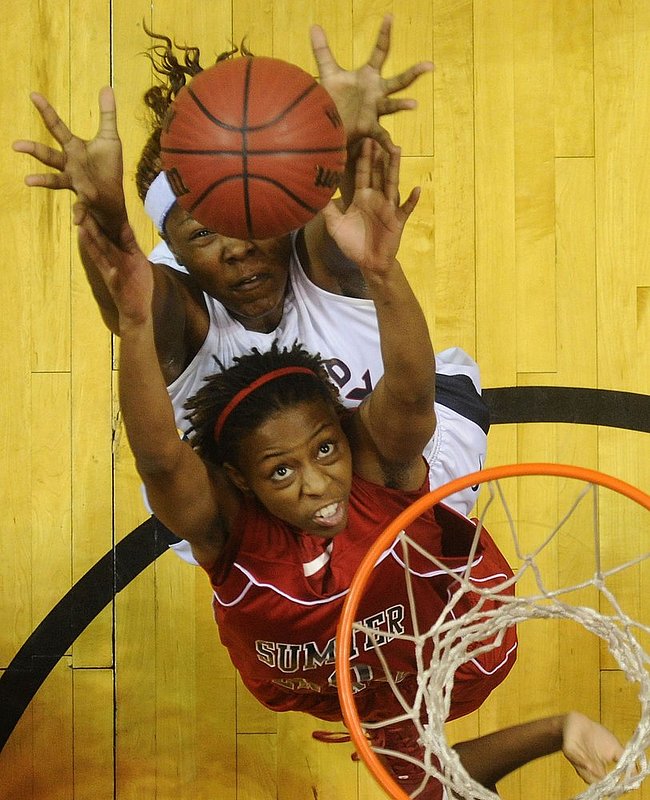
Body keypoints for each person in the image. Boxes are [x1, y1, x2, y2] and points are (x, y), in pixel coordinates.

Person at [75, 139, 622, 799]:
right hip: (349, 658)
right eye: (281, 472)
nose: (314, 484)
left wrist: (381, 264)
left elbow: (410, 398)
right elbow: (161, 457)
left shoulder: (370, 463)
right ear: (241, 481)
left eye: (324, 452)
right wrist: (131, 314)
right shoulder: (229, 522)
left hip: (401, 538)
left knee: (398, 422)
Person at [13, 16, 489, 535]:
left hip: (412, 453)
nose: (237, 247)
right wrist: (105, 219)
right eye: (203, 233)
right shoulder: (183, 318)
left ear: (280, 214)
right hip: (282, 513)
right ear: (173, 252)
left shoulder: (321, 260)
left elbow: (360, 213)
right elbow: (132, 300)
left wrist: (347, 141)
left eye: (246, 222)